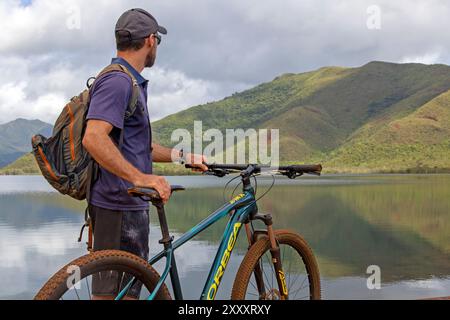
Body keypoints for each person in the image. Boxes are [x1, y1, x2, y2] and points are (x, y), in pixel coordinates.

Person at [82, 8, 207, 300]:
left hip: (129, 205)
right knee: (111, 296)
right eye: (157, 41)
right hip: (118, 205)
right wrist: (142, 178)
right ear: (150, 40)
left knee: (127, 294)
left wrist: (183, 157)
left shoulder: (131, 81)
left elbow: (140, 146)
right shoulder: (119, 82)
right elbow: (93, 138)